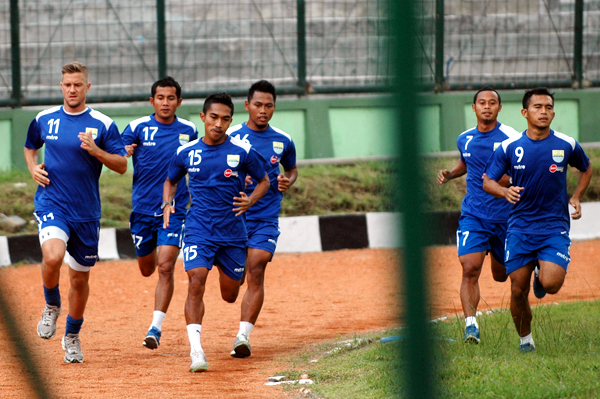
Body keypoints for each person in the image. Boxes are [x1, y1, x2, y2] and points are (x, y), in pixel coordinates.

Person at [24, 61, 128, 363]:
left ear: (87, 87)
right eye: (67, 84)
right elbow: (30, 145)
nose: (72, 89)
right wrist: (33, 168)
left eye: (78, 84)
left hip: (86, 213)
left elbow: (122, 165)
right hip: (51, 203)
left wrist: (97, 151)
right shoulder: (44, 119)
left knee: (80, 280)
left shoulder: (103, 124)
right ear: (61, 86)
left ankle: (71, 336)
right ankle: (52, 305)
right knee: (53, 256)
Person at [162, 92, 270, 372]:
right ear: (203, 117)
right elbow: (170, 180)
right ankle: (196, 351)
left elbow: (264, 181)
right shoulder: (186, 152)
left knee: (230, 294)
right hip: (198, 229)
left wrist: (251, 200)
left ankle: (241, 330)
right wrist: (167, 204)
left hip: (233, 234)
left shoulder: (243, 151)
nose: (218, 124)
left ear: (231, 120)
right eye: (213, 117)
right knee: (196, 281)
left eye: (224, 119)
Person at [483, 87, 592, 352]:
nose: (544, 112)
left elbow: (586, 167)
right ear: (525, 112)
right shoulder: (510, 147)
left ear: (553, 112)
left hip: (554, 227)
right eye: (537, 107)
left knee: (551, 285)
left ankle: (541, 275)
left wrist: (576, 196)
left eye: (548, 107)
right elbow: (487, 180)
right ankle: (525, 341)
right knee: (517, 289)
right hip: (520, 227)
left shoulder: (566, 143)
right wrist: (503, 190)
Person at [437, 87, 519, 344]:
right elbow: (466, 161)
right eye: (481, 103)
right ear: (473, 108)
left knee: (501, 274)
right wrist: (451, 173)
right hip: (474, 214)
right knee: (469, 268)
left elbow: (521, 171)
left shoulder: (511, 138)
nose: (487, 106)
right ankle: (471, 326)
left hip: (505, 217)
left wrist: (503, 181)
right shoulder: (465, 138)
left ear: (499, 108)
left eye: (492, 103)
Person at [121, 77, 197, 350]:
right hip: (142, 210)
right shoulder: (137, 127)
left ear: (179, 101)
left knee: (166, 266)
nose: (166, 103)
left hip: (174, 209)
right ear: (152, 101)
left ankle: (155, 328)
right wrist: (124, 151)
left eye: (171, 98)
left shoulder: (189, 130)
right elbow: (117, 153)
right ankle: (149, 250)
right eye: (161, 98)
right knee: (146, 269)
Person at [226, 80, 297, 357]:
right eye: (258, 105)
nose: (263, 110)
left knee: (257, 267)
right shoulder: (230, 135)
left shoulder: (283, 139)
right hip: (233, 218)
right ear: (247, 106)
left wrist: (287, 181)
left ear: (274, 107)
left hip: (265, 217)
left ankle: (242, 336)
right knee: (230, 290)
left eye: (269, 105)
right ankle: (232, 279)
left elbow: (291, 170)